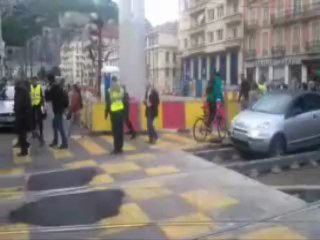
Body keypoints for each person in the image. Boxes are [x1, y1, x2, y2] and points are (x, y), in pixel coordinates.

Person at [45, 74, 68, 149]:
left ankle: (64, 143)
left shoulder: (53, 88)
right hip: (59, 110)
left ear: (49, 80)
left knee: (59, 127)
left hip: (57, 110)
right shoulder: (57, 87)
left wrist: (46, 90)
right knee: (55, 125)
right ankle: (55, 141)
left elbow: (47, 98)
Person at [105, 76, 125, 154]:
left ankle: (116, 148)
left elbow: (108, 103)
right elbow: (124, 100)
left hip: (114, 113)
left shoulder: (110, 90)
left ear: (112, 81)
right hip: (120, 112)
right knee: (120, 131)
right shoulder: (121, 90)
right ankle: (120, 147)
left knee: (115, 131)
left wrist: (107, 112)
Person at [14, 80, 32, 156]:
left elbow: (19, 103)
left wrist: (16, 109)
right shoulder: (25, 91)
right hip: (25, 115)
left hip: (21, 115)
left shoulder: (20, 91)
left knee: (21, 133)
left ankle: (24, 150)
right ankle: (25, 145)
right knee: (22, 133)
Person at [30, 76, 45, 145]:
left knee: (40, 120)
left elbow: (42, 97)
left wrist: (42, 106)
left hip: (38, 105)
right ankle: (33, 133)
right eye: (32, 81)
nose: (33, 82)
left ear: (36, 81)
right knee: (32, 120)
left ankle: (41, 133)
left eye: (35, 81)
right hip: (32, 106)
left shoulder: (39, 87)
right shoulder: (30, 87)